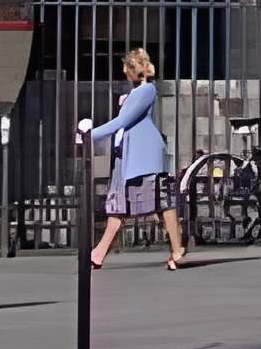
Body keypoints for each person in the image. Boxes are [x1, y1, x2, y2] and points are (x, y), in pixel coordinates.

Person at [78, 46, 186, 271]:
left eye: (126, 68)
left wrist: (90, 135)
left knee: (162, 203)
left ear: (133, 69)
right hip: (127, 159)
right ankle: (98, 254)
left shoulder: (146, 91)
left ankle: (177, 249)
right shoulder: (135, 93)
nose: (124, 72)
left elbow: (122, 121)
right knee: (118, 207)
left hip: (143, 158)